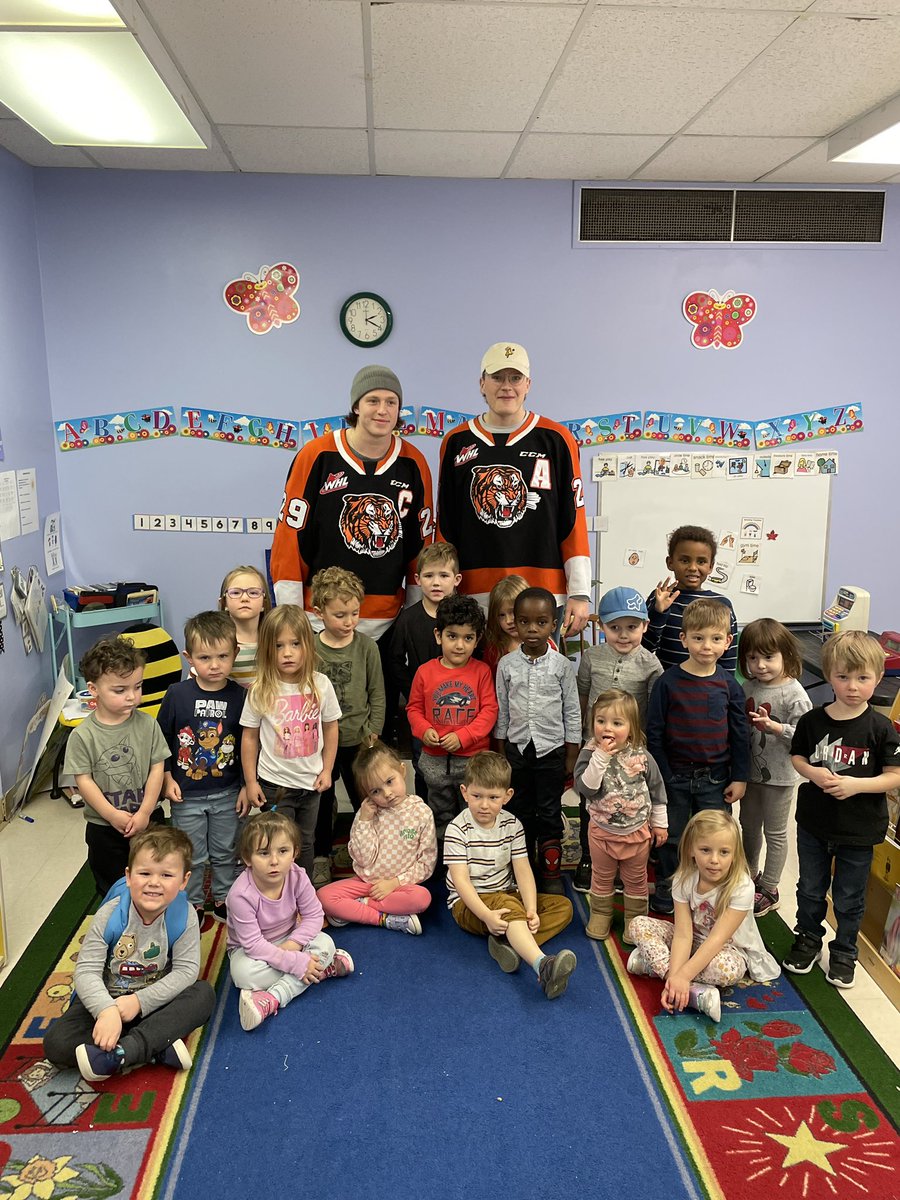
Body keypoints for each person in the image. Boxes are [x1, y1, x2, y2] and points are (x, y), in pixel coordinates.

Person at [270, 365, 434, 642]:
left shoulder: (413, 462)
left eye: (391, 402)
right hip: (321, 618)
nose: (382, 410)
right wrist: (290, 616)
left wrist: (417, 614)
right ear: (356, 406)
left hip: (388, 620)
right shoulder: (316, 455)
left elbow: (421, 545)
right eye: (373, 401)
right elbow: (290, 539)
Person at [436, 342, 591, 636]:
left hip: (542, 593)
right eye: (497, 377)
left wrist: (580, 592)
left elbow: (573, 520)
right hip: (474, 594)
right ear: (482, 383)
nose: (506, 386)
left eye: (515, 378)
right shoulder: (456, 441)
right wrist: (444, 589)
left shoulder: (557, 438)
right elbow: (446, 525)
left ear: (528, 384)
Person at [44, 827, 215, 1080]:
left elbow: (185, 971)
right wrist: (106, 1010)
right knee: (56, 1045)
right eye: (144, 873)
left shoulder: (185, 915)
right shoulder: (109, 915)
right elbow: (87, 971)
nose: (154, 882)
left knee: (203, 995)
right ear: (128, 876)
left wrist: (139, 1002)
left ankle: (122, 1052)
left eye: (167, 875)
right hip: (107, 999)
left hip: (154, 1001)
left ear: (183, 881)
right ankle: (155, 1045)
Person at [784, 631, 900, 989]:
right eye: (843, 676)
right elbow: (798, 756)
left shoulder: (881, 727)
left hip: (859, 829)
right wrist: (812, 772)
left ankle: (845, 952)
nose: (852, 686)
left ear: (878, 678)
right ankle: (807, 940)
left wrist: (856, 785)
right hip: (814, 824)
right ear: (829, 675)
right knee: (810, 889)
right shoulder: (812, 721)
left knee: (849, 897)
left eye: (862, 677)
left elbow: (894, 776)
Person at [646, 598, 750, 915]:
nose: (707, 646)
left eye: (716, 638)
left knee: (714, 836)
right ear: (684, 639)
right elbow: (654, 733)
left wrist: (740, 777)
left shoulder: (730, 686)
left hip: (715, 779)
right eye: (698, 638)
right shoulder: (667, 683)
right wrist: (663, 775)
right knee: (672, 836)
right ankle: (669, 888)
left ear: (727, 642)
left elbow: (740, 734)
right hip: (674, 776)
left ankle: (710, 891)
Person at [444, 752, 577, 998]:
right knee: (508, 906)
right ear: (465, 792)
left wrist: (531, 909)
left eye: (493, 797)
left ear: (507, 796)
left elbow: (523, 870)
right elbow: (461, 882)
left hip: (507, 894)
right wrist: (486, 915)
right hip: (468, 904)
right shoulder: (457, 829)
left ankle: (509, 944)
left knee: (563, 907)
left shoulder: (512, 825)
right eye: (477, 796)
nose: (484, 805)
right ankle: (542, 965)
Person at [627, 811, 779, 1022]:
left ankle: (652, 967)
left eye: (724, 852)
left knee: (728, 969)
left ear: (735, 854)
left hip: (728, 948)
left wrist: (682, 976)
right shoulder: (684, 879)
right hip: (692, 940)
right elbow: (683, 934)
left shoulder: (742, 887)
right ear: (691, 849)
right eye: (705, 850)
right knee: (638, 925)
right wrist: (676, 978)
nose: (714, 860)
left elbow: (717, 939)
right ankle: (693, 993)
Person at [156, 611, 248, 922]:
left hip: (227, 791)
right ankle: (192, 902)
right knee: (191, 853)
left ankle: (223, 896)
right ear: (189, 658)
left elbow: (248, 744)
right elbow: (161, 739)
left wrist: (246, 785)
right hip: (186, 793)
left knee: (225, 851)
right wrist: (166, 777)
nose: (214, 665)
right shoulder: (177, 694)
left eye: (223, 656)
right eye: (205, 657)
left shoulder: (240, 696)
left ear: (235, 653)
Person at [227, 812, 354, 1031]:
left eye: (283, 851)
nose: (274, 861)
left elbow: (314, 915)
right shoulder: (240, 895)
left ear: (294, 852)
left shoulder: (297, 875)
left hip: (291, 939)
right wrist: (295, 963)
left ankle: (274, 997)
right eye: (263, 853)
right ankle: (322, 969)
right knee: (242, 974)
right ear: (247, 858)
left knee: (326, 942)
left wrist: (292, 948)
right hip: (252, 951)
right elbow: (253, 945)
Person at [240, 605, 341, 880]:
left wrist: (327, 770)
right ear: (267, 649)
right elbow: (249, 737)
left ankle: (302, 891)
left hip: (311, 784)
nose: (287, 652)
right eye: (278, 645)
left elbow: (331, 728)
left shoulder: (321, 684)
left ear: (308, 645)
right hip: (275, 785)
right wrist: (250, 782)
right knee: (276, 844)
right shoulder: (260, 688)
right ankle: (277, 892)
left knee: (305, 842)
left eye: (295, 644)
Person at [63, 635, 169, 895]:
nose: (132, 697)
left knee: (156, 881)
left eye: (138, 686)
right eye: (120, 690)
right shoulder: (82, 736)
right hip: (104, 828)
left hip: (149, 819)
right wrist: (111, 815)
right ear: (94, 689)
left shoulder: (148, 725)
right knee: (112, 887)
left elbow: (157, 768)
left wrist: (145, 812)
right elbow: (84, 781)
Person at [573, 586, 663, 892]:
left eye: (632, 627)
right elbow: (582, 696)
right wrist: (581, 738)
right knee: (590, 800)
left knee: (627, 802)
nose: (623, 635)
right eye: (614, 628)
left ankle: (629, 860)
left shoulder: (650, 664)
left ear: (645, 626)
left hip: (631, 751)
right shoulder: (591, 657)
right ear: (601, 626)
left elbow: (652, 710)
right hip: (594, 744)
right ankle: (589, 857)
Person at [495, 586, 581, 894]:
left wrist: (571, 755)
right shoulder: (506, 665)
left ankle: (550, 872)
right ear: (515, 623)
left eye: (541, 622)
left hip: (552, 751)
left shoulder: (561, 666)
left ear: (553, 625)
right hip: (517, 751)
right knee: (519, 811)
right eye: (524, 622)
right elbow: (503, 711)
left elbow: (572, 711)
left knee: (548, 811)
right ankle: (524, 869)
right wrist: (501, 752)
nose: (532, 629)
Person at [309, 566, 385, 887]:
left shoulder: (367, 647)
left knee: (364, 799)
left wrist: (374, 730)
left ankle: (372, 853)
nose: (349, 621)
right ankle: (321, 856)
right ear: (319, 613)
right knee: (322, 803)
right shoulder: (311, 648)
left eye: (355, 613)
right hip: (320, 743)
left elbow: (377, 692)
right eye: (340, 615)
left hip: (358, 739)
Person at [573, 690, 668, 943]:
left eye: (617, 723)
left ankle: (635, 920)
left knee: (635, 878)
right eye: (601, 721)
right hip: (602, 832)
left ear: (632, 728)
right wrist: (600, 757)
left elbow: (657, 791)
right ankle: (601, 913)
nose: (607, 728)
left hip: (636, 832)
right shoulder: (589, 753)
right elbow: (586, 788)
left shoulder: (642, 755)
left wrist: (660, 824)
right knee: (602, 876)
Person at [318, 741, 436, 934]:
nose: (387, 794)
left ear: (402, 771)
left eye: (390, 782)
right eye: (375, 791)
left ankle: (359, 906)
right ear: (367, 793)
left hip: (400, 886)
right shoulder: (366, 813)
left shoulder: (421, 813)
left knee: (422, 898)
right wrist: (364, 821)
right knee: (323, 897)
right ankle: (383, 919)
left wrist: (394, 883)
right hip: (365, 883)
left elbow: (426, 863)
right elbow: (363, 859)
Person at [738, 618, 813, 916]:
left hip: (779, 778)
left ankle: (770, 887)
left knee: (776, 833)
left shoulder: (795, 695)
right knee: (748, 827)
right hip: (749, 775)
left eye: (768, 657)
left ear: (786, 655)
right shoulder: (748, 687)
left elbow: (806, 738)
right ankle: (748, 876)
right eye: (752, 658)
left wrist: (776, 728)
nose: (760, 665)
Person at [406, 594, 498, 839]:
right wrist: (424, 730)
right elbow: (413, 708)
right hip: (434, 761)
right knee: (440, 812)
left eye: (468, 638)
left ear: (477, 639)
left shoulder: (481, 671)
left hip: (473, 761)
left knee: (475, 812)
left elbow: (489, 711)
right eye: (452, 636)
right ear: (439, 636)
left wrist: (464, 736)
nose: (459, 645)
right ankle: (444, 851)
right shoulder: (424, 672)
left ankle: (475, 849)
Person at [387, 540, 461, 800]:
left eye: (444, 575)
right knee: (424, 765)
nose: (436, 582)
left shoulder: (465, 615)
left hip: (461, 708)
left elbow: (479, 659)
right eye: (429, 576)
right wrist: (414, 694)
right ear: (417, 580)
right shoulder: (408, 619)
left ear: (457, 579)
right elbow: (395, 660)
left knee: (463, 767)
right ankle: (425, 815)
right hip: (423, 711)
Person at [642, 525, 737, 673]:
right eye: (685, 560)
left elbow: (728, 657)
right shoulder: (660, 598)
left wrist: (725, 685)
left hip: (709, 685)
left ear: (711, 566)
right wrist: (659, 613)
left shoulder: (722, 604)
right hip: (668, 683)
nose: (693, 567)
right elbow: (644, 649)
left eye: (701, 562)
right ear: (670, 563)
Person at [218, 564, 271, 688]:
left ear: (264, 603)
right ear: (224, 603)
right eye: (236, 593)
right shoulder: (216, 643)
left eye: (253, 592)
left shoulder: (274, 641)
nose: (245, 598)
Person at [482, 574, 529, 677]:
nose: (508, 621)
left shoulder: (546, 644)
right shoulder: (494, 651)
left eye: (513, 612)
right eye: (501, 615)